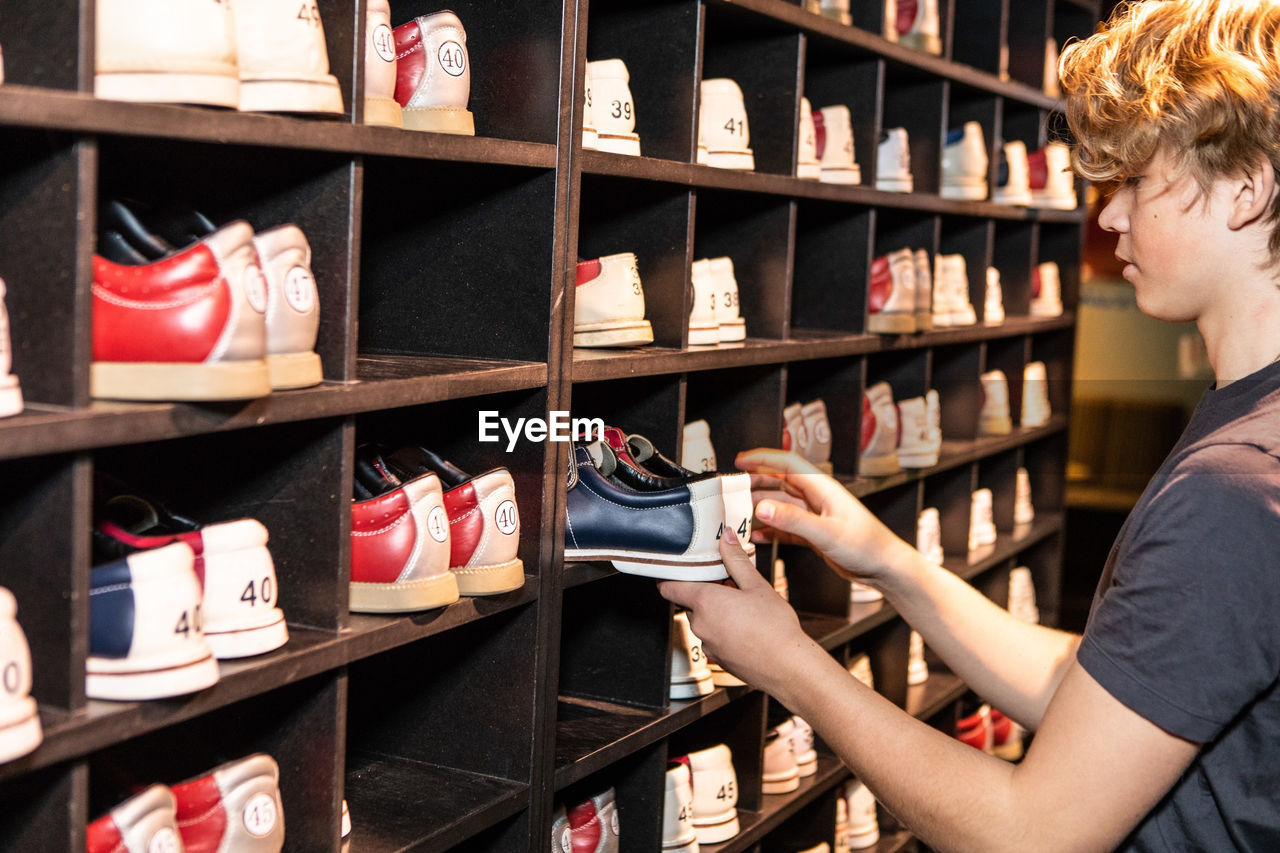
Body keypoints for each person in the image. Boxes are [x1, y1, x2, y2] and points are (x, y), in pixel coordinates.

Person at [659, 1, 1280, 849]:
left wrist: (791, 666)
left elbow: (1031, 834)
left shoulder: (1236, 487)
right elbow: (1114, 692)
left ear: (1247, 188)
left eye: (1136, 179)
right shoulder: (1252, 426)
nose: (1109, 216)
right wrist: (892, 565)